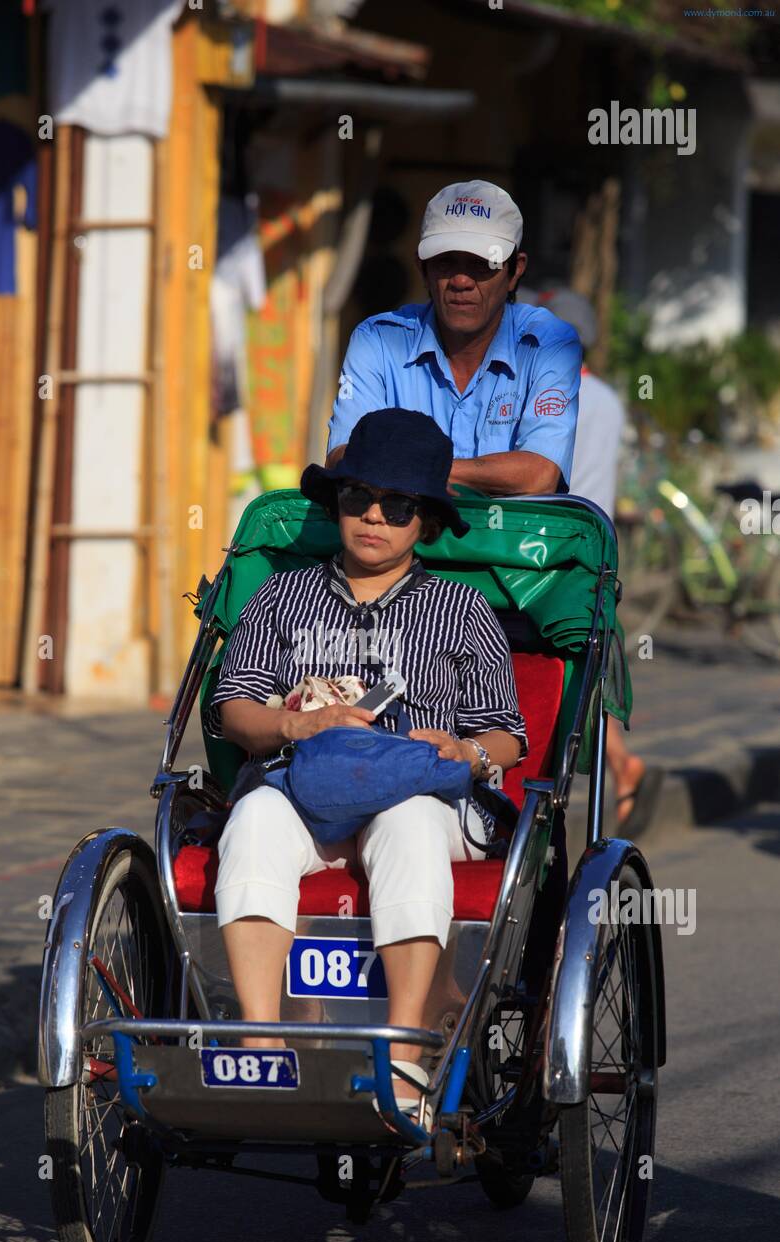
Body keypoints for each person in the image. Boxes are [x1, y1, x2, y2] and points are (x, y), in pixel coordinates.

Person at [204, 409, 527, 1112]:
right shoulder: (281, 597)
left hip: (424, 797)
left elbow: (507, 733)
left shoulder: (464, 609)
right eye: (357, 499)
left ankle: (405, 1058)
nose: (374, 517)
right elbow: (234, 707)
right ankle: (263, 1050)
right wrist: (298, 721)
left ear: (428, 523)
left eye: (398, 506)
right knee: (254, 814)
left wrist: (464, 749)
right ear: (336, 504)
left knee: (408, 822)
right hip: (301, 788)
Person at [326, 181, 582, 497]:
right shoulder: (375, 340)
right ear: (423, 269)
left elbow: (539, 475)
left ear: (515, 271)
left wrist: (405, 469)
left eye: (482, 264)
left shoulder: (548, 344)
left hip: (507, 545)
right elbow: (342, 458)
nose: (461, 280)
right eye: (446, 261)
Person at [539, 287, 663, 836]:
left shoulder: (544, 395)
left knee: (561, 673)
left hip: (549, 548)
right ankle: (620, 764)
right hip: (596, 550)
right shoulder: (610, 399)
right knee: (586, 667)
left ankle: (609, 766)